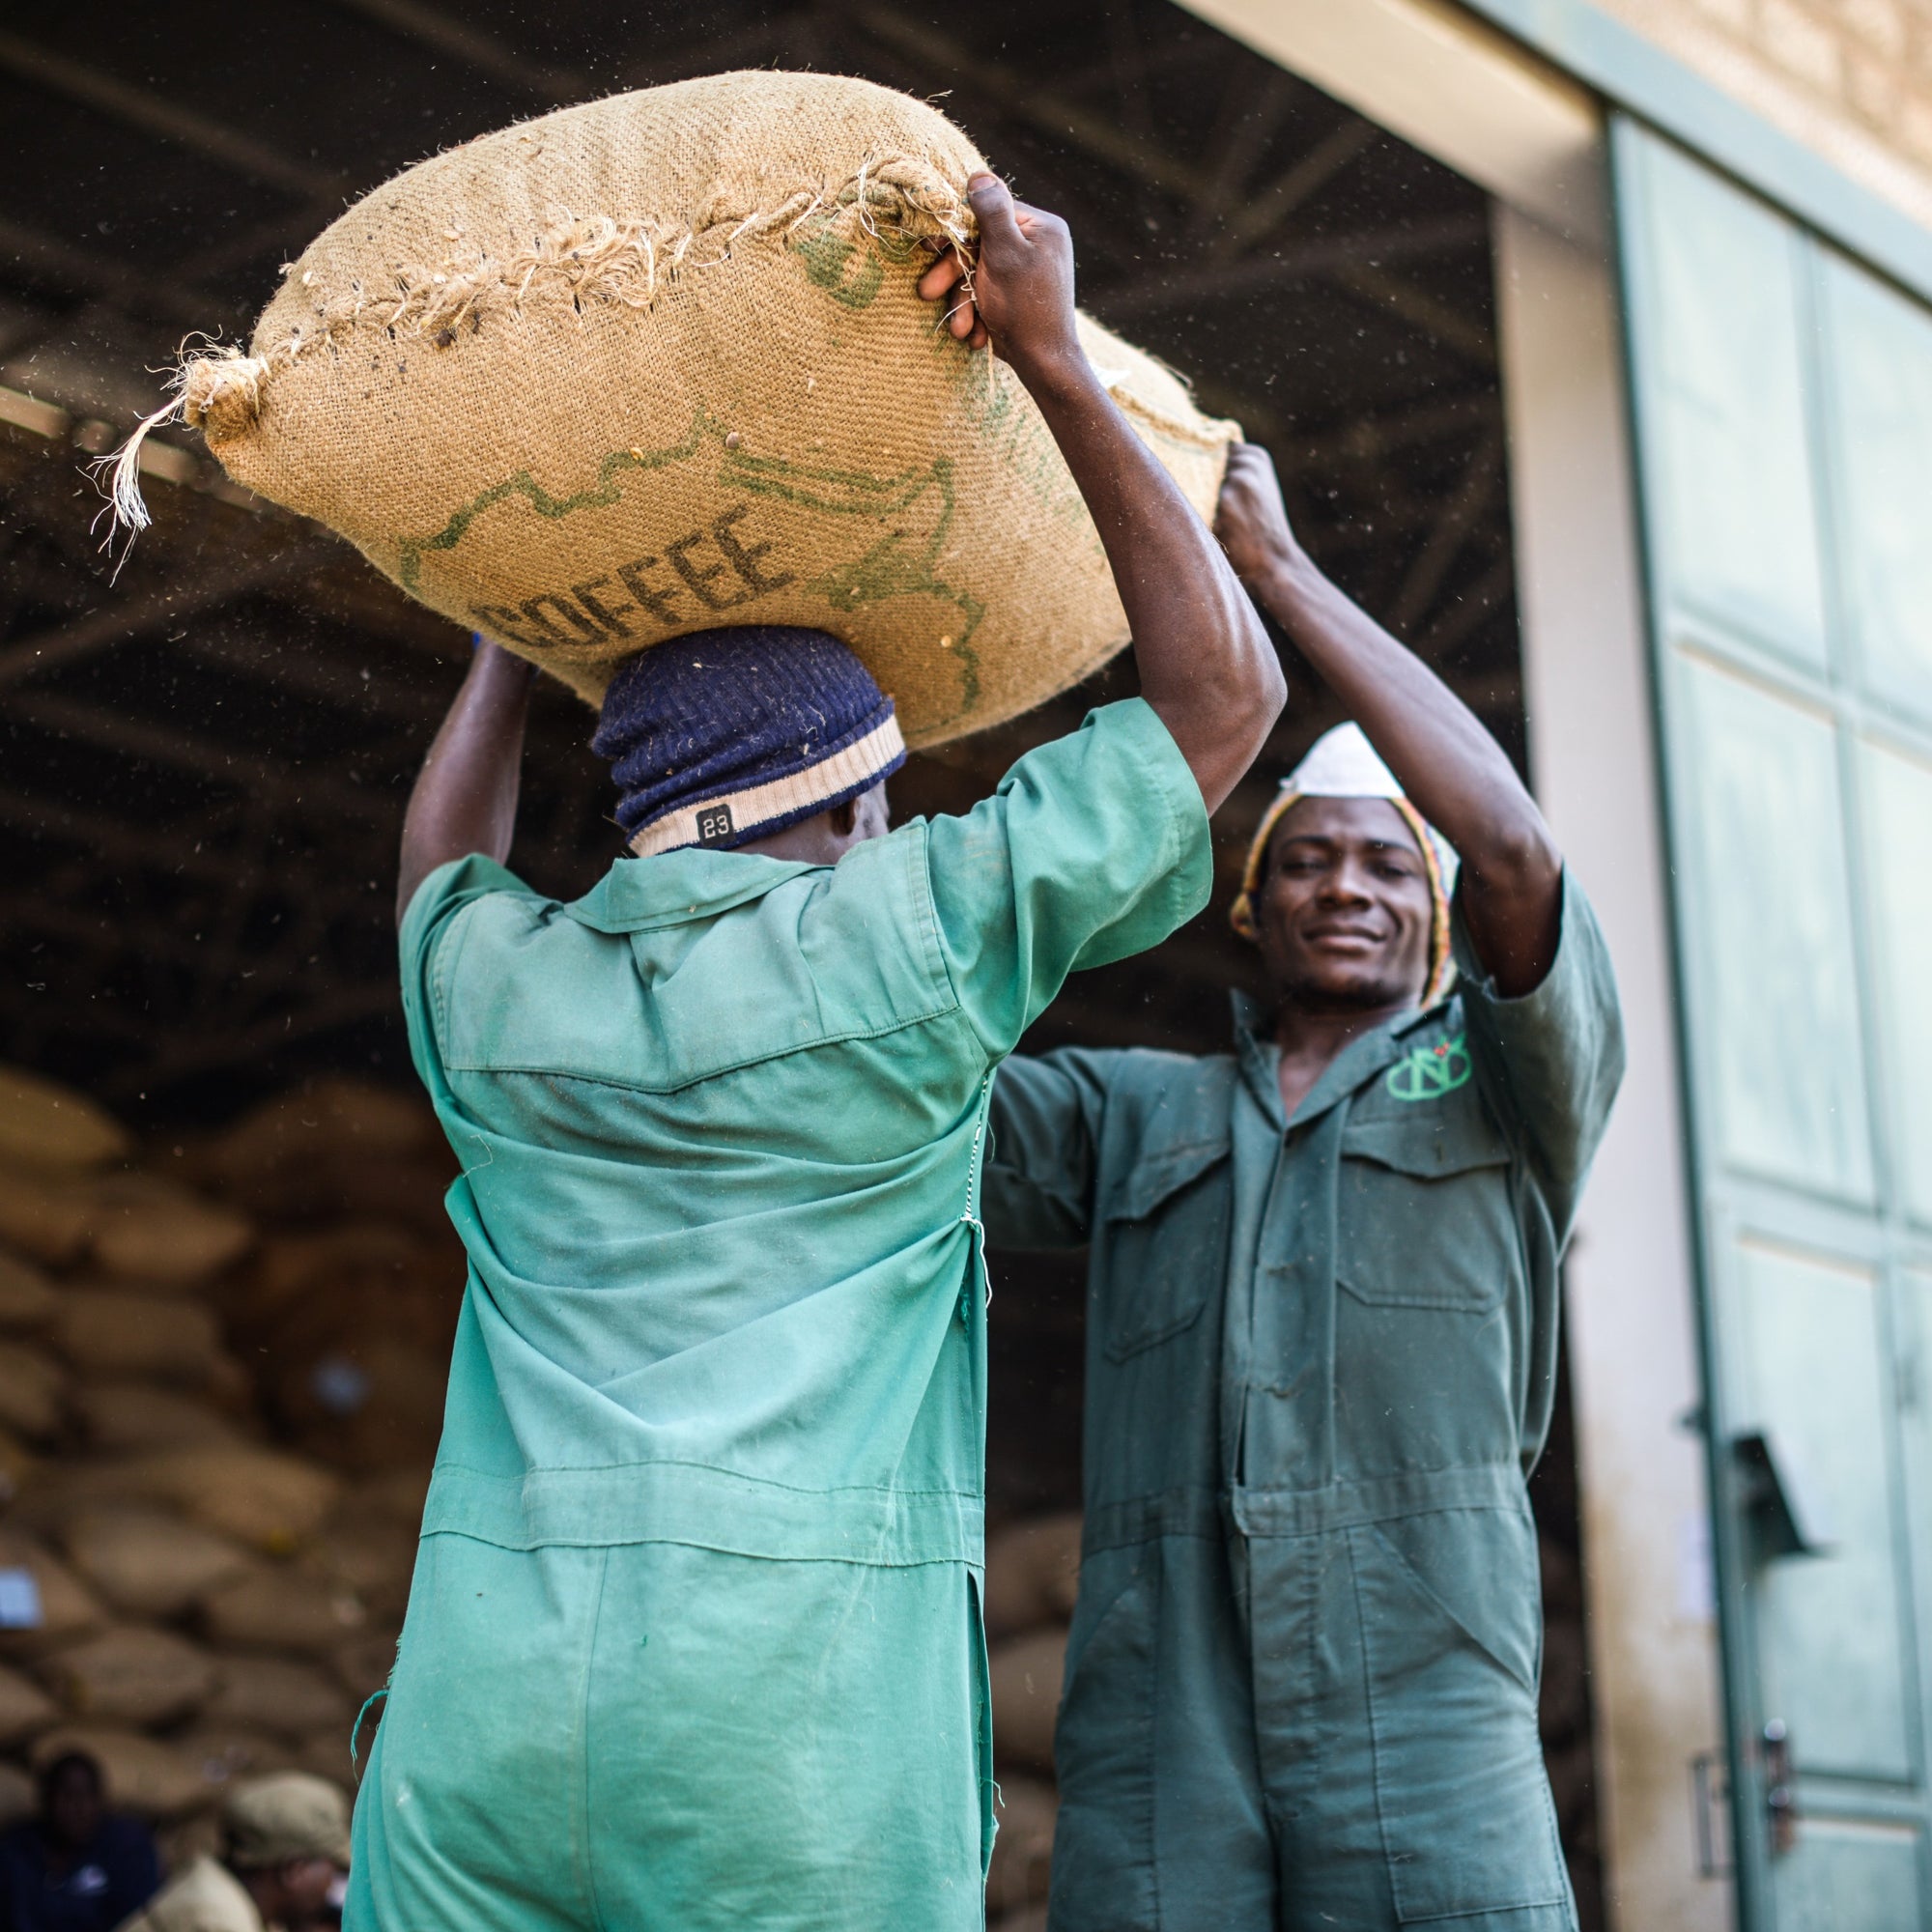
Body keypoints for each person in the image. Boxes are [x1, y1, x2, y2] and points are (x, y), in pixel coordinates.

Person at [348, 173, 1283, 1932]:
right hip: (786, 1761)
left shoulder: (500, 1001)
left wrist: (506, 622)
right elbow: (1224, 699)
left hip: (482, 1741)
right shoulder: (914, 938)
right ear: (851, 801)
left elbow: (440, 875)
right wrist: (1059, 363)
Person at [982, 442, 1626, 1931]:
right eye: (1312, 863)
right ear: (1249, 901)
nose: (1348, 887)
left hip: (1427, 1700)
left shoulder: (1504, 1087)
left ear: (1440, 920)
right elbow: (904, 1091)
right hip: (1160, 1724)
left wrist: (1278, 579)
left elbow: (1519, 854)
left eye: (1391, 869)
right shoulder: (1134, 1113)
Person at [114, 1773, 348, 1932]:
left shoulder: (217, 1892)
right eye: (333, 1872)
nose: (331, 1888)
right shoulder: (216, 1920)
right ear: (294, 1870)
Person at [0, 1753, 157, 1932]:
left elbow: (140, 1918)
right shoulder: (18, 1853)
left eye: (86, 1796)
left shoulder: (126, 1848)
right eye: (66, 1796)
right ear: (45, 1800)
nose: (78, 1808)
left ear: (101, 1801)